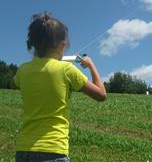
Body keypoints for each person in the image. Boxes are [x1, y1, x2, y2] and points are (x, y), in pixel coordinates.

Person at [14, 12, 106, 162]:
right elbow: (101, 94)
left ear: (34, 44)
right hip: (53, 150)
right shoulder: (66, 70)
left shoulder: (22, 70)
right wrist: (91, 65)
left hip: (23, 150)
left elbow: (16, 83)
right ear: (62, 46)